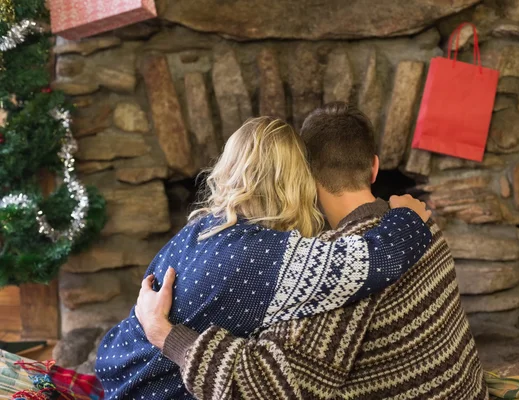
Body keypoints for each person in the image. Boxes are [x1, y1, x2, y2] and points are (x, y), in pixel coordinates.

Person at [135, 103, 489, 399]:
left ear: (303, 176)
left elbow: (260, 386)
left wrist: (165, 335)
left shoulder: (327, 277)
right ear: (375, 167)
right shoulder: (419, 221)